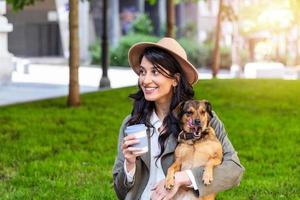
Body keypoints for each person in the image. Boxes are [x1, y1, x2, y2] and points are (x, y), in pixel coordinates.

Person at [112, 37, 244, 200]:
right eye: (142, 72)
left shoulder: (202, 120)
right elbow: (120, 192)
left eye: (155, 72)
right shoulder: (132, 123)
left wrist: (184, 178)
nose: (145, 80)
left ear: (175, 79)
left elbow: (234, 169)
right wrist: (129, 164)